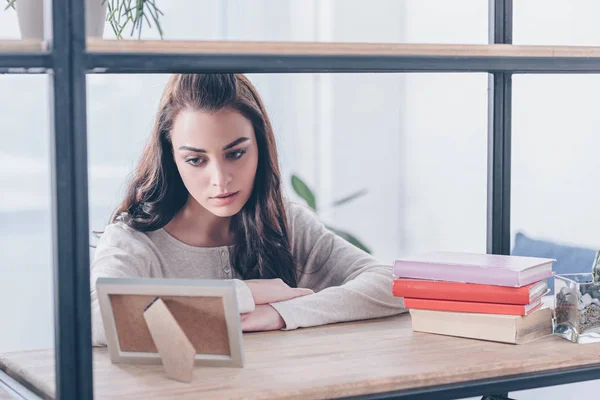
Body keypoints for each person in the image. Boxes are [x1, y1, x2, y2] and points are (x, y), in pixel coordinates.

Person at [90, 73, 406, 346]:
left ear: (260, 146)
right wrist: (243, 294)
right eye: (196, 160)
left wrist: (281, 314)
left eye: (236, 153)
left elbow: (392, 285)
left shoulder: (285, 222)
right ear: (171, 157)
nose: (220, 179)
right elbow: (99, 319)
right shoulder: (134, 240)